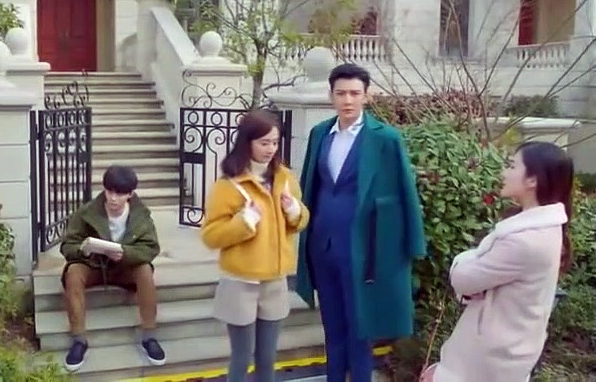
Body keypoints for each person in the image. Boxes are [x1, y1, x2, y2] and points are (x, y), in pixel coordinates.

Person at [294, 64, 427, 382]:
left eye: (355, 93)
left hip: (363, 249)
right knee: (332, 327)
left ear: (367, 96)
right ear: (331, 95)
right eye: (341, 93)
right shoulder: (320, 133)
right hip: (322, 246)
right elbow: (310, 186)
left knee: (360, 328)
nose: (348, 100)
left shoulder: (385, 138)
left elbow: (404, 192)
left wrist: (412, 246)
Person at [421, 141, 574, 382]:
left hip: (487, 360)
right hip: (505, 353)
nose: (504, 173)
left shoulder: (525, 240)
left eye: (512, 166)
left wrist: (464, 259)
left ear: (532, 180)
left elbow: (463, 279)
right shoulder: (540, 229)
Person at [201, 109, 311, 382]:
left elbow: (300, 221)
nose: (270, 149)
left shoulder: (284, 178)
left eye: (274, 142)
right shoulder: (228, 185)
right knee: (241, 357)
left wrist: (294, 211)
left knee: (267, 358)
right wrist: (244, 222)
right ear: (247, 142)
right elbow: (211, 235)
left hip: (275, 281)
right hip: (241, 283)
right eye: (264, 143)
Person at [59, 165, 166, 373]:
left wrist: (125, 253)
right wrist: (84, 251)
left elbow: (151, 248)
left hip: (124, 268)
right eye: (109, 191)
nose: (113, 198)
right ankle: (79, 340)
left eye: (120, 193)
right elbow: (67, 245)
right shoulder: (87, 212)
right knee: (73, 273)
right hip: (93, 265)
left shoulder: (141, 216)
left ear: (130, 194)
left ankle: (149, 335)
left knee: (145, 270)